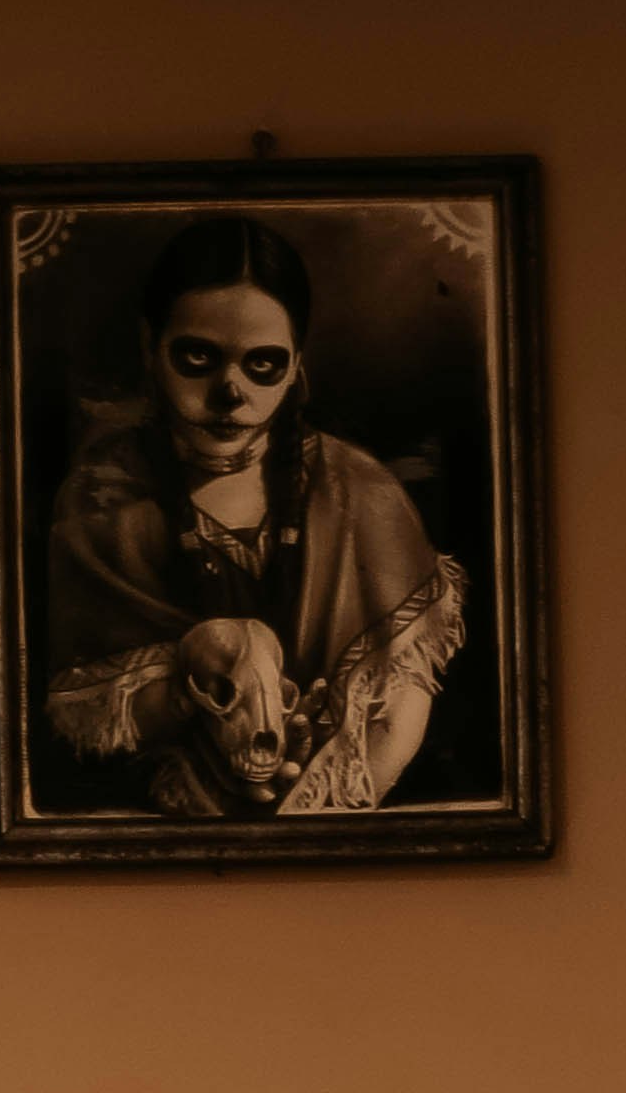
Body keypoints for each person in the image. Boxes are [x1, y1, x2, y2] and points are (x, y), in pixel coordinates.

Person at [37, 210, 464, 824]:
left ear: (296, 365)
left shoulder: (362, 492)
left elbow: (396, 712)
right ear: (149, 347)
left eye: (261, 364)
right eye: (198, 358)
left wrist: (308, 820)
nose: (230, 392)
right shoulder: (102, 500)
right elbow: (93, 720)